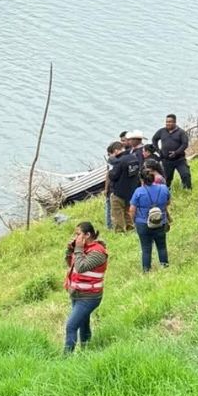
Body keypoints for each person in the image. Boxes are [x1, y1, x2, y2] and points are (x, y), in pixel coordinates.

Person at [64, 222, 108, 352]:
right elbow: (71, 264)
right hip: (77, 293)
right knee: (83, 323)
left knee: (71, 326)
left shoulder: (98, 252)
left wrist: (78, 248)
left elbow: (81, 267)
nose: (75, 237)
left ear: (87, 235)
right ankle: (86, 350)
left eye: (78, 234)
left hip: (89, 297)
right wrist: (70, 250)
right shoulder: (83, 248)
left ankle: (66, 358)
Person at [130, 168, 170, 271]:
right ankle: (165, 267)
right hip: (160, 221)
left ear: (141, 180)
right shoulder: (163, 188)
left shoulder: (138, 192)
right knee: (162, 246)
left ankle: (146, 270)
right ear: (153, 178)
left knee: (146, 249)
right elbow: (168, 202)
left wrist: (134, 221)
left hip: (142, 223)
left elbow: (132, 209)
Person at [107, 140, 142, 232]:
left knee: (117, 214)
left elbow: (113, 176)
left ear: (115, 151)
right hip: (131, 191)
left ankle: (120, 232)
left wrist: (110, 167)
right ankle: (131, 230)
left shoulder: (119, 161)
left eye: (111, 154)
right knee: (127, 212)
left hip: (119, 192)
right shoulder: (134, 158)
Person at [151, 114, 191, 190]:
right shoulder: (162, 131)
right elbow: (154, 139)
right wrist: (158, 150)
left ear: (174, 122)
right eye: (166, 122)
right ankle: (165, 191)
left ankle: (187, 190)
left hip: (179, 159)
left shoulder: (181, 132)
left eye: (170, 122)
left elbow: (185, 144)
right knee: (166, 179)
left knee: (185, 175)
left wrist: (176, 152)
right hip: (166, 160)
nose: (167, 123)